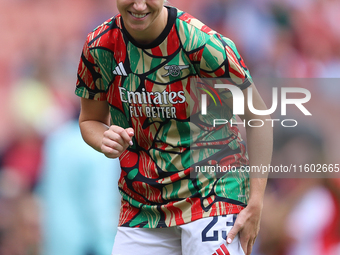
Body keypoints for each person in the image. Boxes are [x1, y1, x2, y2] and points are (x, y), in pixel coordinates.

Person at [75, 0, 273, 254]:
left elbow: (258, 117)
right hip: (142, 205)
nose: (138, 5)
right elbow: (89, 120)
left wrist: (255, 202)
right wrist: (104, 138)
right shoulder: (99, 46)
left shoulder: (203, 44)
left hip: (212, 193)